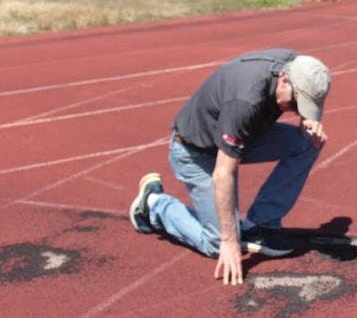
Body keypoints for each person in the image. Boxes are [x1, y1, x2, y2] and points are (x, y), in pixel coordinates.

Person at [129, 49, 331, 285]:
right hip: (196, 153)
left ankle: (261, 225)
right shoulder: (245, 102)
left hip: (242, 136)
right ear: (284, 81)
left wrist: (307, 116)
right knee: (217, 244)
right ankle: (154, 205)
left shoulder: (296, 65)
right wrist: (229, 240)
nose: (298, 108)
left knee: (307, 143)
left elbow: (303, 82)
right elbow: (223, 172)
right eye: (297, 103)